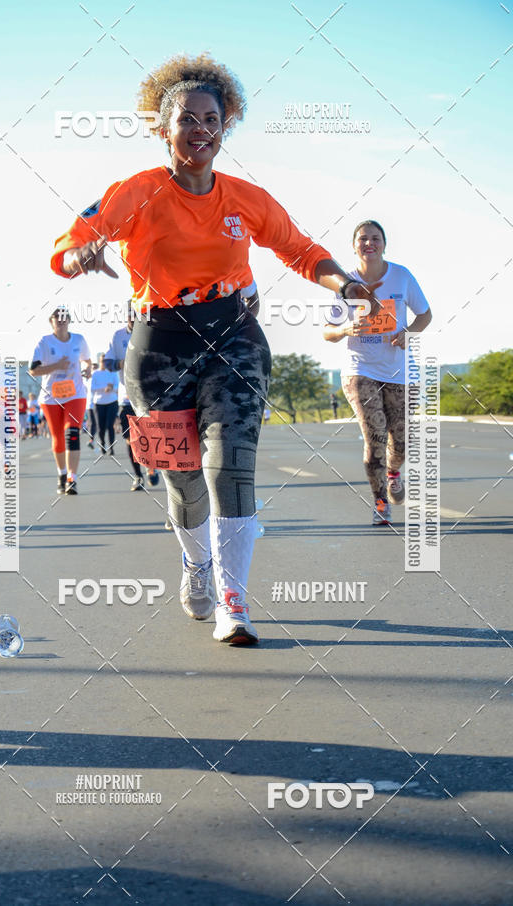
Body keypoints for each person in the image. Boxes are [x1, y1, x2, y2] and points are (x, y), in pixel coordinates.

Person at [51, 53, 378, 644]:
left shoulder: (245, 197)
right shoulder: (136, 193)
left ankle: (234, 601)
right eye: (187, 120)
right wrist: (81, 257)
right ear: (162, 129)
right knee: (182, 479)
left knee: (230, 466)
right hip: (158, 349)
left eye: (212, 119)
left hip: (233, 339)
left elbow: (300, 250)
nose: (200, 130)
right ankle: (197, 564)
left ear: (226, 126)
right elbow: (77, 240)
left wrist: (346, 284)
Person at [323, 219, 432, 525]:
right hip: (360, 369)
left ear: (384, 244)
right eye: (363, 239)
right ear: (354, 245)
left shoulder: (401, 276)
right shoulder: (346, 282)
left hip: (399, 371)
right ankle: (381, 502)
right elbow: (327, 332)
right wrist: (346, 328)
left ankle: (394, 472)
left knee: (401, 441)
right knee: (374, 438)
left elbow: (425, 314)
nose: (369, 244)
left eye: (375, 238)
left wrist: (408, 333)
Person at [29, 308, 91, 495]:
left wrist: (88, 369)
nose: (61, 320)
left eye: (64, 317)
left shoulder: (78, 340)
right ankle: (62, 475)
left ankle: (72, 478)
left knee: (72, 434)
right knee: (58, 439)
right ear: (51, 322)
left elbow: (88, 361)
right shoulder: (45, 342)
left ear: (69, 320)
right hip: (51, 397)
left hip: (75, 394)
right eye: (57, 317)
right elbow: (33, 370)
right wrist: (57, 366)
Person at [107, 305, 160, 491]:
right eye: (130, 315)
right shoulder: (118, 336)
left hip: (149, 396)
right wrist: (121, 363)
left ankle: (152, 468)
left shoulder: (152, 332)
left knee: (150, 436)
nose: (133, 319)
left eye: (136, 315)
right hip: (126, 397)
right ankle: (138, 476)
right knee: (132, 440)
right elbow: (107, 363)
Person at [90, 352, 119, 456]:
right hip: (99, 403)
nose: (104, 363)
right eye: (102, 361)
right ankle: (102, 444)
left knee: (110, 425)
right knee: (101, 428)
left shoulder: (112, 372)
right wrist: (103, 388)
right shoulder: (95, 374)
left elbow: (117, 386)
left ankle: (111, 447)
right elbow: (92, 389)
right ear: (99, 362)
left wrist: (111, 388)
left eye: (106, 361)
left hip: (112, 402)